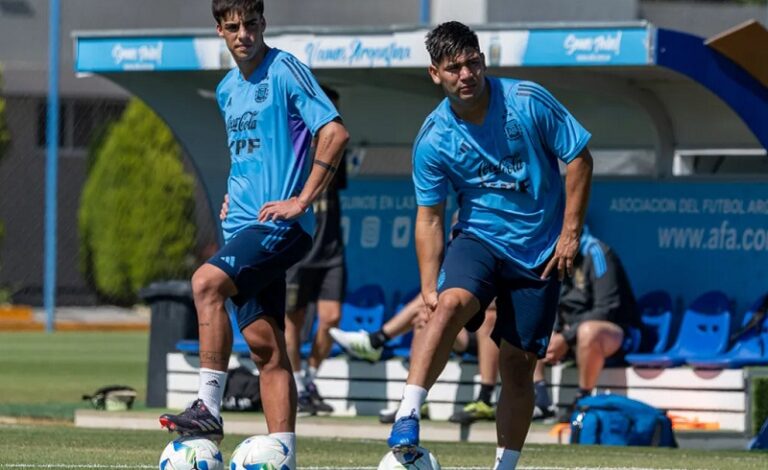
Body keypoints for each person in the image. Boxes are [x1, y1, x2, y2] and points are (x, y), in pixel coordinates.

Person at [386, 21, 593, 470]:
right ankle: (407, 413)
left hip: (540, 251)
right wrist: (427, 284)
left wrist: (570, 233)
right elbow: (430, 217)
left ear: (483, 61)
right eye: (453, 67)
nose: (466, 74)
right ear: (434, 74)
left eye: (472, 62)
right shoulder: (433, 137)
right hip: (479, 236)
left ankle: (504, 467)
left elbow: (577, 157)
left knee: (518, 366)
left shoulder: (527, 100)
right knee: (449, 303)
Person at [159, 2, 349, 467]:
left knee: (204, 283)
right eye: (233, 26)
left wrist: (301, 200)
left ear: (263, 24)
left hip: (279, 227)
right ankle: (284, 453)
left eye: (251, 24)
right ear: (220, 31)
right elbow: (248, 157)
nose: (243, 33)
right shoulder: (226, 90)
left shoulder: (285, 69)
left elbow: (335, 133)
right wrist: (230, 196)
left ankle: (207, 406)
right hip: (241, 227)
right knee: (267, 348)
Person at [331, 296, 499, 424]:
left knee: (490, 314)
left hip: (493, 336)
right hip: (462, 333)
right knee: (425, 314)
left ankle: (484, 401)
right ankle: (414, 402)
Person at [282, 86, 347, 416]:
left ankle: (309, 378)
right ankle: (297, 384)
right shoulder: (292, 147)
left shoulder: (338, 147)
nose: (332, 117)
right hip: (299, 251)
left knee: (331, 319)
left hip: (332, 250)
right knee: (293, 320)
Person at [532, 227, 642, 422]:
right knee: (532, 323)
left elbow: (607, 308)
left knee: (588, 330)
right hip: (573, 335)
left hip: (617, 333)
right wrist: (557, 333)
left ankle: (582, 402)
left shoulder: (597, 252)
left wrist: (565, 337)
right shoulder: (551, 255)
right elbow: (553, 302)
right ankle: (540, 400)